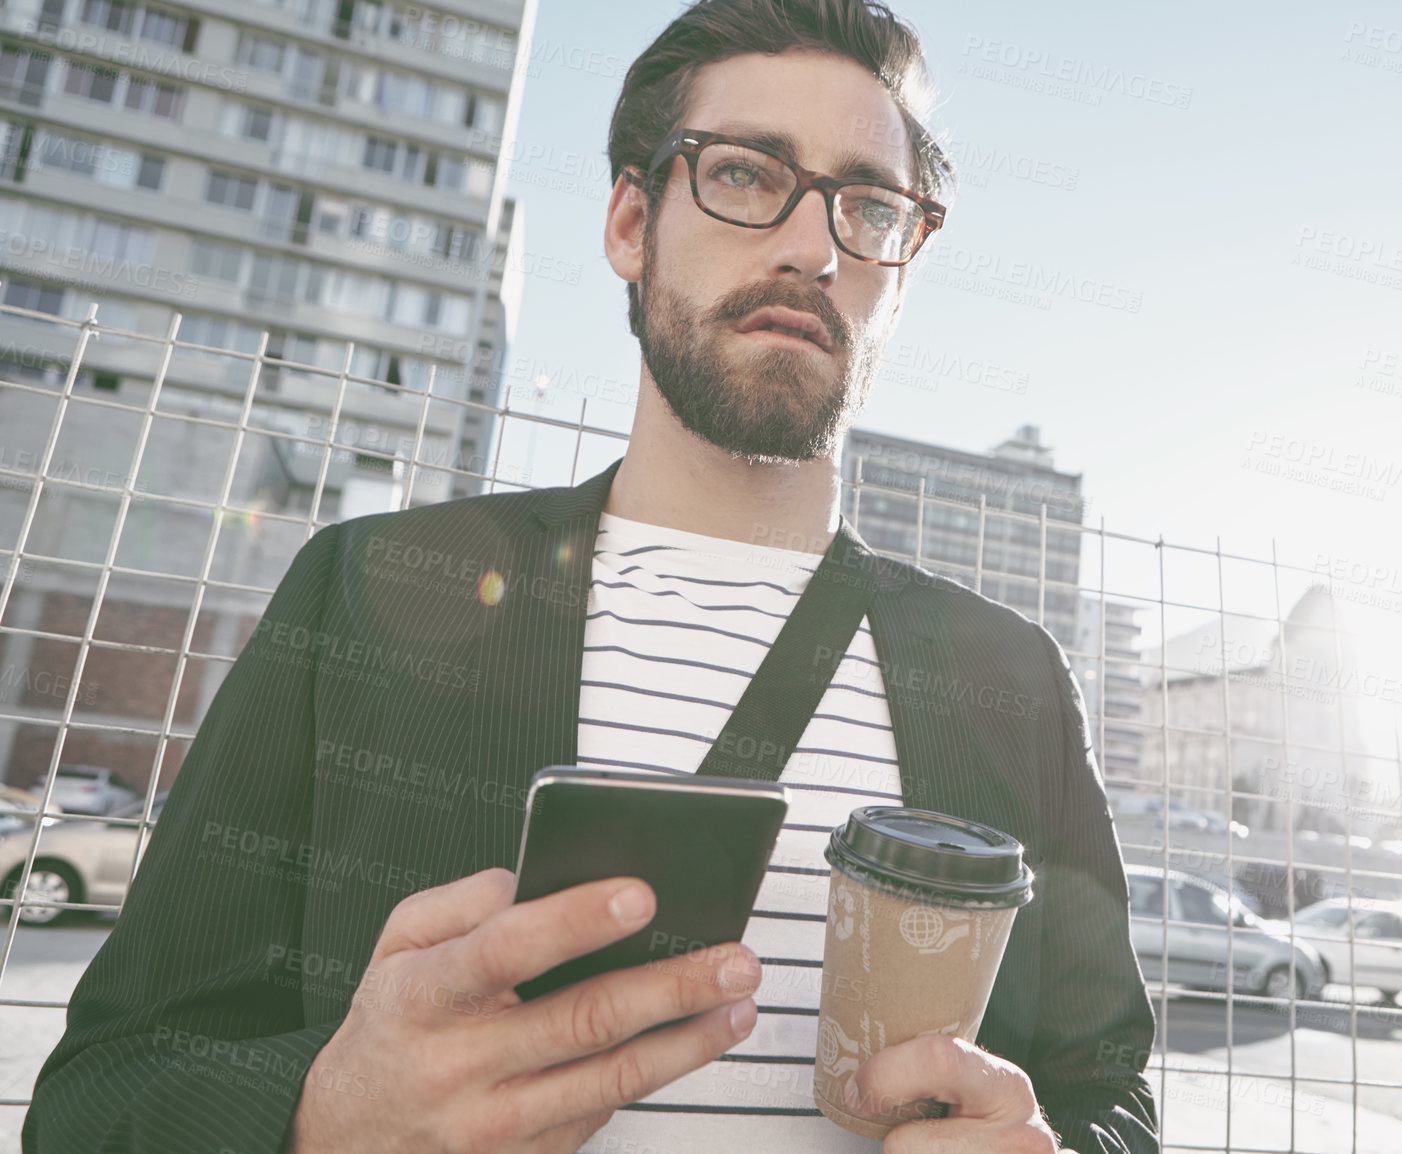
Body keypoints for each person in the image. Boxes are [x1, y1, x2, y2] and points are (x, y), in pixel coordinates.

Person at [21, 1, 1159, 1151]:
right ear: (629, 221)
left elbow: (1111, 1090)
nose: (813, 248)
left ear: (902, 269)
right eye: (747, 174)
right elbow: (102, 1090)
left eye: (868, 207)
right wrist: (323, 1114)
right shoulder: (367, 588)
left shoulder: (1009, 677)